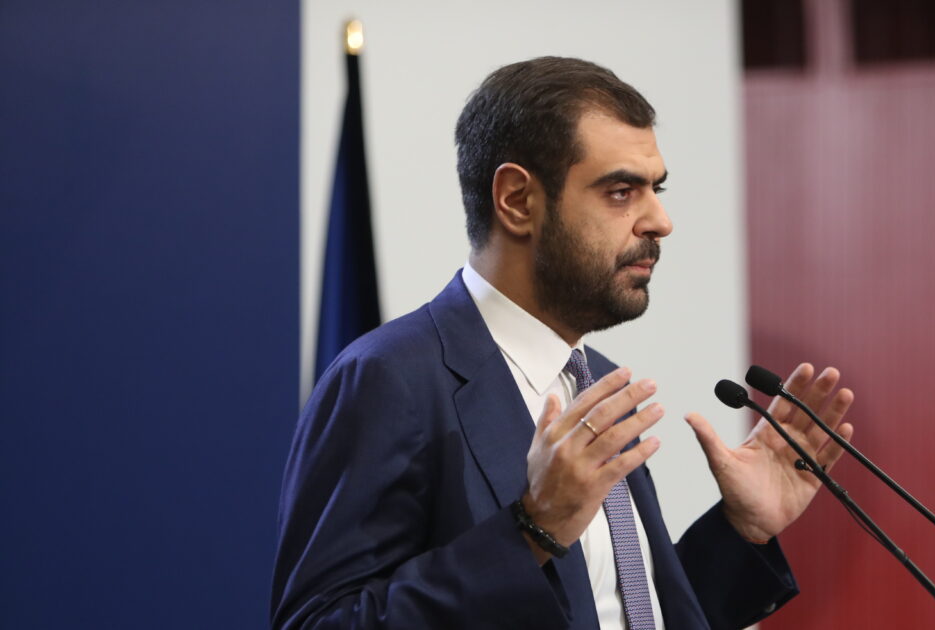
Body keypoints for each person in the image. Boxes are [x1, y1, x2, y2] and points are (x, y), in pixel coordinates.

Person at [271, 56, 855, 630]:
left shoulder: (593, 377)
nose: (660, 220)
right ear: (517, 200)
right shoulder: (390, 378)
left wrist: (740, 531)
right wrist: (531, 529)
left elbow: (608, 610)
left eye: (656, 188)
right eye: (621, 191)